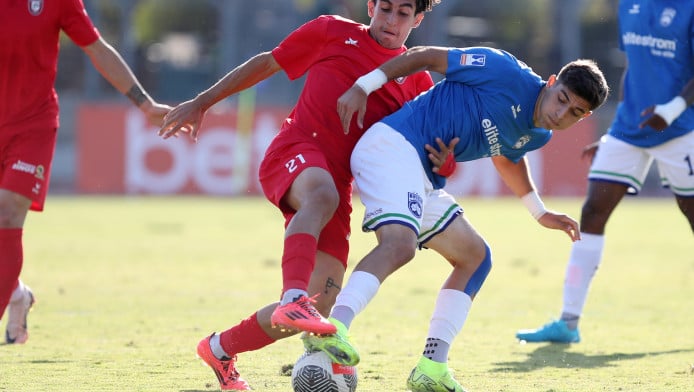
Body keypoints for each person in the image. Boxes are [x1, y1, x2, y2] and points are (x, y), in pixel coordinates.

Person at [158, 1, 441, 389]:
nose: (390, 21)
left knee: (321, 303)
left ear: (418, 19)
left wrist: (442, 160)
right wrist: (202, 101)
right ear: (371, 5)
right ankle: (292, 296)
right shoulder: (330, 31)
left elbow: (428, 154)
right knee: (319, 209)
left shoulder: (416, 81)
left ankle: (219, 349)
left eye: (403, 13)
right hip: (294, 151)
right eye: (385, 8)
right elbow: (267, 63)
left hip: (337, 188)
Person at [301, 45, 609, 392]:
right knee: (400, 245)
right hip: (393, 146)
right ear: (552, 82)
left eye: (575, 112)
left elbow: (508, 156)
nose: (561, 112)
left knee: (476, 258)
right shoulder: (504, 70)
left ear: (583, 118)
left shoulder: (539, 134)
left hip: (420, 173)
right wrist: (364, 85)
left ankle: (431, 367)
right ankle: (334, 328)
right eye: (562, 99)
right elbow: (427, 54)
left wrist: (539, 212)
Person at [515, 0, 693, 344]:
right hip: (630, 129)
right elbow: (636, 69)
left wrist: (671, 110)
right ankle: (568, 323)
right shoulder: (631, 6)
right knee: (593, 213)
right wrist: (612, 135)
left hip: (681, 129)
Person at [0, 0, 170, 345]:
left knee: (7, 211)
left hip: (31, 125)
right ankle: (16, 293)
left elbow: (98, 50)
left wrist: (144, 102)